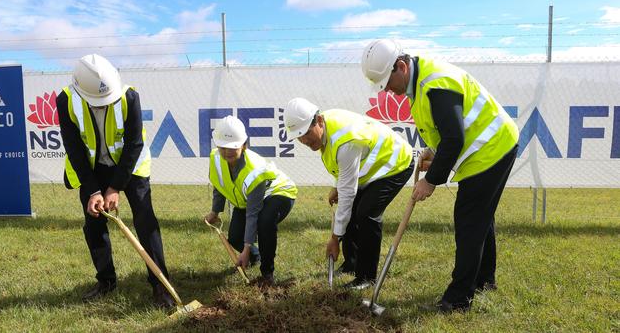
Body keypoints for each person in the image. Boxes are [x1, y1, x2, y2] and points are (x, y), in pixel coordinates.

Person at [361, 39, 519, 312]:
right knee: (480, 217)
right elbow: (447, 132)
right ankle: (484, 280)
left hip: (492, 149)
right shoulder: (419, 85)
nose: (387, 90)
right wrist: (433, 153)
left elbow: (455, 138)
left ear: (401, 66)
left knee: (469, 220)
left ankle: (458, 299)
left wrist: (431, 180)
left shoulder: (435, 82)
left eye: (387, 82)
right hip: (490, 149)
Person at [57, 54, 174, 308]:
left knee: (145, 220)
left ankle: (160, 285)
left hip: (129, 166)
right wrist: (93, 191)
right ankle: (106, 281)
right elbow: (74, 148)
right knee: (94, 224)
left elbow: (134, 144)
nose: (103, 105)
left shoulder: (129, 97)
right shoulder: (65, 100)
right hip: (91, 168)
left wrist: (115, 187)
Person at [284, 98, 414, 290]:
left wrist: (335, 239)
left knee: (366, 214)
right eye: (299, 137)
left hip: (395, 164)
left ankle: (366, 277)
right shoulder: (328, 129)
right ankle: (351, 265)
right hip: (370, 166)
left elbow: (347, 193)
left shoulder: (347, 141)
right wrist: (337, 185)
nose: (304, 140)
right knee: (353, 212)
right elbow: (344, 167)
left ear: (319, 121)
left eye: (306, 133)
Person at [204, 116, 297, 286]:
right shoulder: (216, 159)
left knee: (264, 223)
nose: (227, 152)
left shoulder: (254, 170)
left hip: (278, 192)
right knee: (235, 237)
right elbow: (220, 185)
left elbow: (253, 213)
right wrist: (215, 212)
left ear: (244, 145)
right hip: (245, 200)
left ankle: (267, 274)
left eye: (233, 147)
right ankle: (255, 257)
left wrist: (246, 248)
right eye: (223, 147)